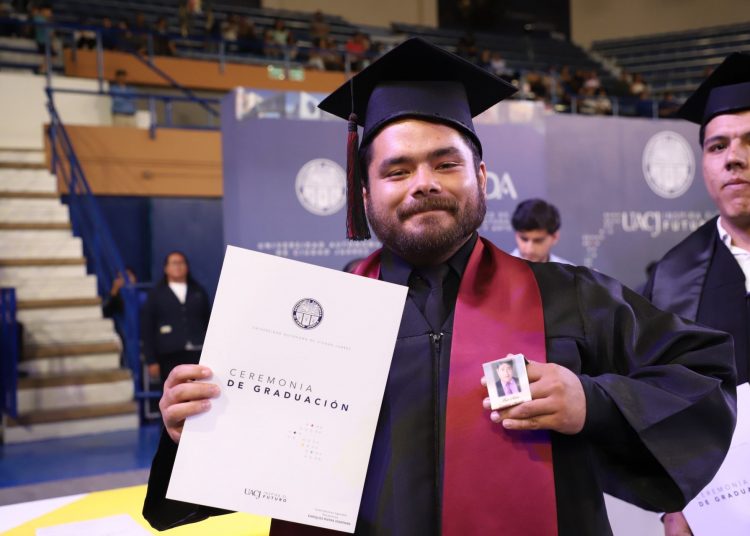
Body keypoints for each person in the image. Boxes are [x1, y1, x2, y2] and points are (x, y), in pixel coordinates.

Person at [143, 38, 736, 535]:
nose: (423, 183)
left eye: (445, 163)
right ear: (365, 193)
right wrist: (188, 431)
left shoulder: (572, 298)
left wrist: (592, 402)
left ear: (482, 176)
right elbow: (241, 464)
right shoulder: (312, 321)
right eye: (397, 170)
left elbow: (703, 376)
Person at [642, 52, 750, 536]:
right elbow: (656, 399)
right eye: (717, 145)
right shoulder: (672, 277)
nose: (733, 158)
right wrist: (674, 506)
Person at [140, 251, 211, 384]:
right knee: (174, 392)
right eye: (174, 263)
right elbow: (147, 328)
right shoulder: (156, 294)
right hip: (168, 355)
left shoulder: (198, 291)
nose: (178, 266)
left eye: (181, 262)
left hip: (198, 353)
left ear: (187, 267)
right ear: (166, 268)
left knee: (199, 391)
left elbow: (208, 322)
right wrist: (151, 360)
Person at [510, 198, 573, 263]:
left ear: (555, 237)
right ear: (516, 235)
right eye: (524, 239)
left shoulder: (569, 269)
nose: (529, 250)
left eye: (538, 241)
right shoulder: (502, 268)